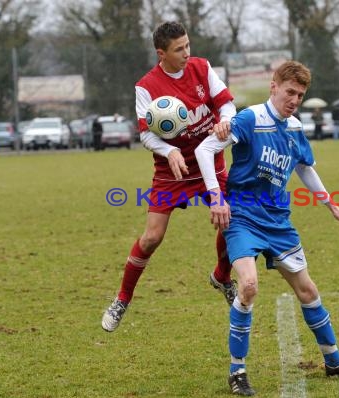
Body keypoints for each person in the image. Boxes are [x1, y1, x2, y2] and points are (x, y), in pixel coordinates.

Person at [195, 60, 339, 396]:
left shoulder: (294, 128)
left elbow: (305, 168)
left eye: (300, 95)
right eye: (290, 92)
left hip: (278, 220)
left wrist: (331, 205)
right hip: (243, 216)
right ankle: (237, 371)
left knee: (308, 291)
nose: (294, 100)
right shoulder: (250, 119)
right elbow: (206, 150)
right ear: (273, 86)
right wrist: (216, 198)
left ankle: (334, 360)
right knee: (248, 286)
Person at [101, 21, 238, 332]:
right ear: (161, 53)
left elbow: (227, 105)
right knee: (152, 238)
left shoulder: (202, 68)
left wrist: (224, 123)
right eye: (179, 49)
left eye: (188, 45)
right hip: (171, 171)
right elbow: (147, 136)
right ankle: (123, 298)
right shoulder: (146, 86)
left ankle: (222, 277)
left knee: (230, 220)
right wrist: (169, 151)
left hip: (210, 166)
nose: (187, 53)